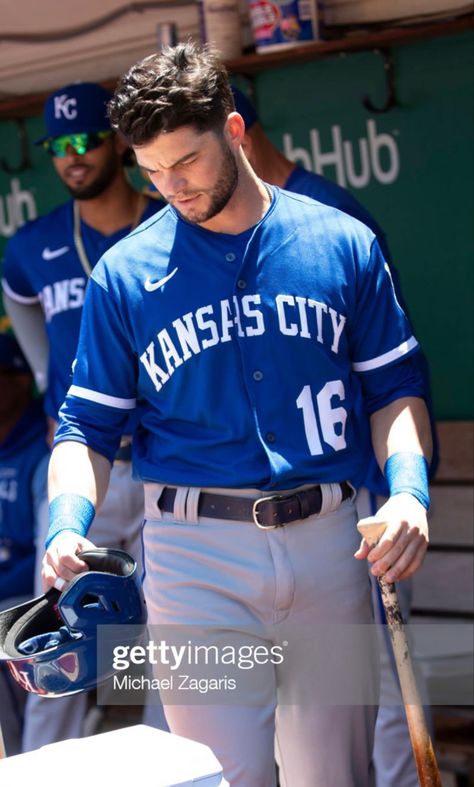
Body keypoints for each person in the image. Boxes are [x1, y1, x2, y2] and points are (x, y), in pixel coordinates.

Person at [41, 43, 432, 787]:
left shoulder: (341, 242)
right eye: (150, 169)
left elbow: (394, 392)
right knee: (225, 778)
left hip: (331, 547)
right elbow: (85, 429)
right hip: (197, 558)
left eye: (184, 162)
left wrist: (409, 490)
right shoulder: (127, 273)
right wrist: (66, 523)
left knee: (334, 778)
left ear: (235, 131)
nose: (170, 186)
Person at [231, 85, 436, 787]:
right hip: (304, 502)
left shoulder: (328, 216)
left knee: (379, 674)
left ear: (237, 134)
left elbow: (389, 373)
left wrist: (397, 486)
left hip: (362, 486)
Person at [1, 81, 166, 751]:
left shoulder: (170, 220)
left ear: (120, 141)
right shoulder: (34, 242)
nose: (72, 156)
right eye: (59, 146)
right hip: (80, 468)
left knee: (169, 643)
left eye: (86, 140)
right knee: (59, 636)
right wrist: (48, 386)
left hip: (161, 461)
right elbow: (21, 306)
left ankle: (169, 763)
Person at [0, 329, 49, 755]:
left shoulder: (44, 450)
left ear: (19, 380)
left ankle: (15, 765)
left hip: (27, 599)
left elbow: (41, 553)